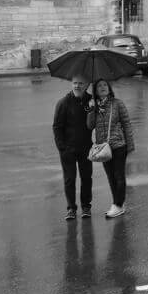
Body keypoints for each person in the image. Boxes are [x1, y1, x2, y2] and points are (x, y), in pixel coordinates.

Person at [87, 78, 136, 218]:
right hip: (103, 148)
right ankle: (117, 204)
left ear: (109, 88)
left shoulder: (117, 103)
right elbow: (90, 126)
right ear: (95, 91)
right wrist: (91, 110)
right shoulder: (94, 107)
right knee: (110, 177)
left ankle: (118, 204)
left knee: (119, 176)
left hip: (119, 145)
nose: (103, 87)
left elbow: (127, 124)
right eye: (99, 86)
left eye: (105, 85)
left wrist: (130, 146)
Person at [53, 74, 94, 220]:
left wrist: (92, 109)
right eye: (75, 83)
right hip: (68, 149)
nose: (77, 86)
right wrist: (62, 148)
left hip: (86, 148)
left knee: (86, 178)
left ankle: (86, 206)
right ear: (71, 84)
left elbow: (94, 124)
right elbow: (57, 127)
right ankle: (71, 208)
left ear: (86, 85)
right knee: (69, 179)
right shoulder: (63, 103)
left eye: (81, 83)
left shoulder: (91, 101)